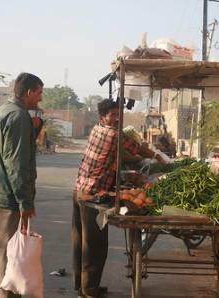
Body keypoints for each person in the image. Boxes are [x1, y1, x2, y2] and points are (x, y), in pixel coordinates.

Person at [72, 99, 140, 298]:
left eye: (119, 114)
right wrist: (156, 156)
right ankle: (89, 290)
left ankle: (82, 286)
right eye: (113, 115)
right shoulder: (114, 134)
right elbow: (135, 149)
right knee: (95, 244)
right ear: (103, 117)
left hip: (79, 189)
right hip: (92, 195)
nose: (117, 118)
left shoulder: (96, 128)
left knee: (79, 240)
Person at [0, 72, 43, 298]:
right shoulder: (18, 117)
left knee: (1, 252)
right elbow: (16, 164)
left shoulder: (3, 112)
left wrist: (34, 130)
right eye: (39, 93)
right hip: (9, 197)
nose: (40, 98)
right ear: (29, 92)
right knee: (10, 255)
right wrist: (24, 201)